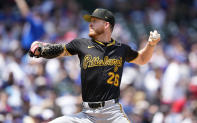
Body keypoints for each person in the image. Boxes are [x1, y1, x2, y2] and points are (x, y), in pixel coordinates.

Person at [29, 8, 160, 123]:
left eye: (94, 21)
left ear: (106, 25)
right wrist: (43, 50)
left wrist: (151, 45)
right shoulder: (82, 44)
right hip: (87, 114)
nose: (90, 24)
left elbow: (142, 59)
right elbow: (61, 49)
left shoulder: (121, 49)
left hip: (112, 113)